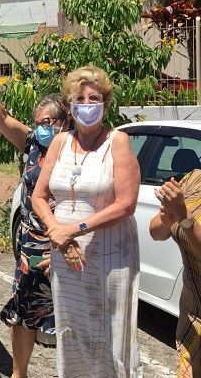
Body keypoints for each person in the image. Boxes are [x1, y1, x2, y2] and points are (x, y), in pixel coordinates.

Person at [30, 66, 142, 377]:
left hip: (109, 256)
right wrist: (59, 234)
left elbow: (126, 204)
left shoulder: (117, 142)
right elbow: (39, 196)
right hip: (65, 254)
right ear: (69, 105)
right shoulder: (60, 142)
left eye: (94, 98)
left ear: (106, 104)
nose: (87, 104)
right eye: (79, 98)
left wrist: (75, 229)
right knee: (72, 327)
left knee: (109, 333)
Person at [0, 62, 69, 378]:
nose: (42, 127)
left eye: (49, 122)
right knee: (25, 309)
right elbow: (1, 117)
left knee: (71, 314)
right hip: (32, 246)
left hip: (66, 243)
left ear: (65, 122)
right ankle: (19, 374)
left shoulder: (78, 150)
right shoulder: (33, 144)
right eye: (38, 122)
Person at [150, 170, 201, 377]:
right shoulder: (193, 180)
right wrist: (167, 218)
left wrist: (183, 215)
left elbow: (184, 218)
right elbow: (155, 233)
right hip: (192, 306)